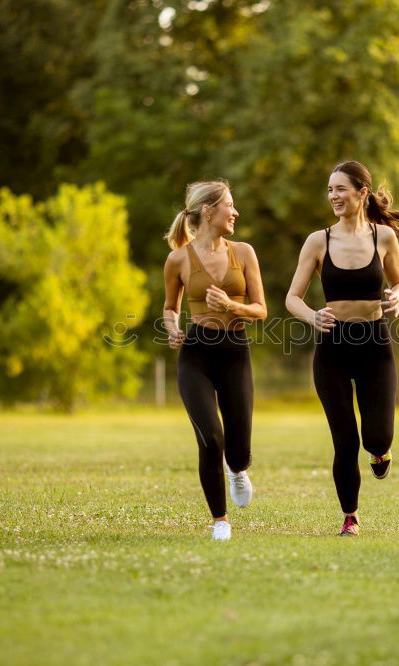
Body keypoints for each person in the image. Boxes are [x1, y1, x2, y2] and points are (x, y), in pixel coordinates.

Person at [285, 161, 399, 536]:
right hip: (332, 347)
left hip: (375, 343)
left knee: (376, 436)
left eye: (340, 189)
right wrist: (313, 316)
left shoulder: (383, 238)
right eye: (329, 190)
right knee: (344, 438)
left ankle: (380, 451)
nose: (333, 197)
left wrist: (397, 295)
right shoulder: (318, 241)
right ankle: (350, 516)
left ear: (362, 192)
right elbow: (292, 298)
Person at [162, 180, 267, 541]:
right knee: (210, 437)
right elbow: (169, 307)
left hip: (236, 352)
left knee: (238, 448)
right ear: (209, 211)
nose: (235, 212)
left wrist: (232, 306)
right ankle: (220, 520)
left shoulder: (245, 253)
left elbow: (261, 310)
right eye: (230, 206)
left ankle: (237, 470)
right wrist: (173, 328)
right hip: (196, 354)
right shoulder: (178, 259)